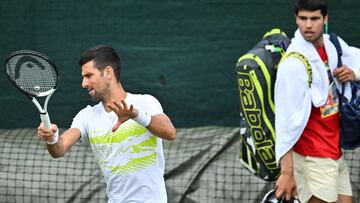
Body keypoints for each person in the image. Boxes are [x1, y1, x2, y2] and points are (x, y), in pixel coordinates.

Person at [37, 45, 176, 203]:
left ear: (108, 72)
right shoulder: (86, 116)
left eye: (89, 75)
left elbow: (169, 133)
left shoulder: (145, 102)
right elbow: (59, 149)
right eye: (83, 77)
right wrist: (51, 138)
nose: (84, 83)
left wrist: (136, 115)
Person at [274, 0, 360, 202]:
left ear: (325, 19)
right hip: (311, 157)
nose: (308, 25)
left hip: (334, 153)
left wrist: (353, 73)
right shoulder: (293, 64)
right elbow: (286, 121)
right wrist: (287, 172)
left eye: (314, 18)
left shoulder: (333, 46)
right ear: (296, 19)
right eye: (303, 18)